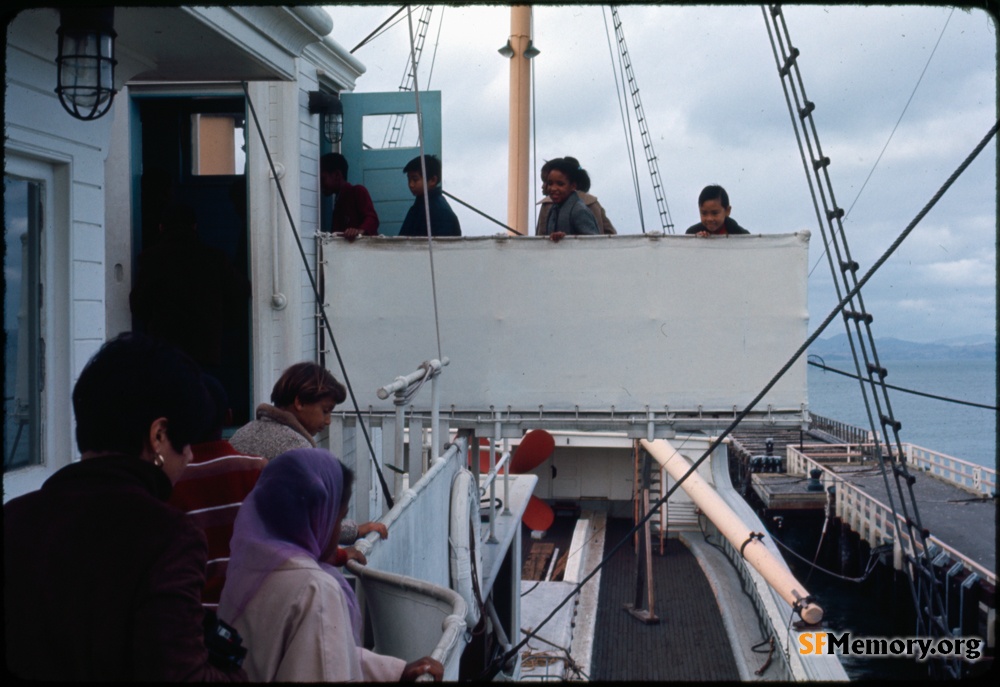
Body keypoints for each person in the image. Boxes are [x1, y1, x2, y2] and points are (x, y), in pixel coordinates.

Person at [3, 332, 247, 681]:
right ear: (159, 435)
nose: (191, 455)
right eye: (188, 441)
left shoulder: (15, 518)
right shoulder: (168, 536)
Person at [218, 448, 445, 682]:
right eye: (339, 518)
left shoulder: (251, 567)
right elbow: (326, 665)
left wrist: (395, 670)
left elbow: (324, 651)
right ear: (319, 518)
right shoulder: (315, 590)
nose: (337, 531)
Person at [229, 361, 388, 548]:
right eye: (325, 410)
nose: (328, 421)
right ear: (300, 402)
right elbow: (314, 519)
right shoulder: (298, 449)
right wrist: (355, 531)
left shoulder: (242, 433)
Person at [169, 374, 269, 608]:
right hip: (249, 609)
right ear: (228, 417)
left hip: (192, 612)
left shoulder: (171, 479)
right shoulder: (256, 469)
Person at [130, 203, 252, 371]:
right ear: (194, 226)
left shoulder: (151, 259)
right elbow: (242, 291)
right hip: (205, 349)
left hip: (165, 348)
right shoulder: (215, 258)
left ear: (161, 227)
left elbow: (138, 306)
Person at [535, 157, 617, 236]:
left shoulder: (577, 209)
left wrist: (566, 240)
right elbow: (611, 234)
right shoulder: (593, 203)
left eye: (560, 184)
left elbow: (591, 241)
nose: (553, 188)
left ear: (573, 185)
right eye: (550, 183)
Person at [320, 152, 380, 241]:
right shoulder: (338, 200)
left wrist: (358, 231)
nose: (320, 184)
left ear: (337, 175)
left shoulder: (357, 191)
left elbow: (372, 219)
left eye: (323, 179)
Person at [398, 154, 461, 237]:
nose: (411, 184)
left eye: (415, 179)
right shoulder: (419, 206)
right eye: (409, 179)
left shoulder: (440, 212)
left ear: (432, 180)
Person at [685, 185, 751, 237]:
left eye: (715, 213)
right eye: (704, 213)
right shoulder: (692, 233)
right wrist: (696, 241)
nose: (709, 218)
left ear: (727, 211)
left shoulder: (741, 235)